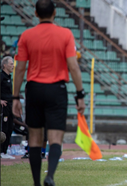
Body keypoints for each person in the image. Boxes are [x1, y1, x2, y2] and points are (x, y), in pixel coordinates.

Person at [13, 1, 86, 186]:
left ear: (36, 13)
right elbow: (74, 67)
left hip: (34, 89)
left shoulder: (26, 35)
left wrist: (15, 97)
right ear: (55, 13)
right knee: (55, 138)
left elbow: (20, 69)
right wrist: (80, 95)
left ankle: (36, 183)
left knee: (35, 138)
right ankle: (50, 176)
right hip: (57, 90)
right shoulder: (65, 34)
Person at [1, 56, 15, 159]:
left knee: (10, 127)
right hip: (3, 107)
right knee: (4, 128)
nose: (13, 66)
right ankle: (1, 151)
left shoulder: (9, 77)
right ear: (4, 65)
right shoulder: (1, 76)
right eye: (11, 64)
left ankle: (5, 151)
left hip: (10, 106)